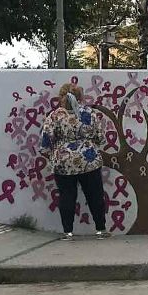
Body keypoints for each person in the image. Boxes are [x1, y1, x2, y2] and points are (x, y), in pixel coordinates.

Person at [39, 83, 110, 240]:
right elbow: (100, 137)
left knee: (67, 196)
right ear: (80, 97)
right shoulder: (89, 113)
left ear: (61, 97)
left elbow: (46, 141)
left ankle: (68, 232)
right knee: (95, 195)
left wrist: (52, 154)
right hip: (88, 160)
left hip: (63, 162)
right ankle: (101, 229)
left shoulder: (55, 116)